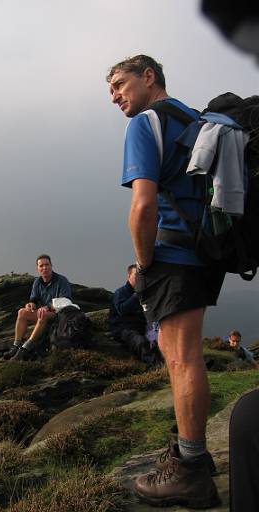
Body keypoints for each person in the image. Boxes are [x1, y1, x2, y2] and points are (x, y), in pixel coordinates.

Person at [107, 54, 224, 508]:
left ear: (148, 76)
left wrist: (143, 262)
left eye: (120, 84)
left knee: (180, 359)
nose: (115, 96)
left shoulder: (144, 123)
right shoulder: (196, 120)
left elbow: (143, 206)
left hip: (172, 254)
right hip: (207, 252)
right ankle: (194, 452)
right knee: (185, 354)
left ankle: (191, 471)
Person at [4, 254, 72, 361]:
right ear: (38, 269)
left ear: (51, 266)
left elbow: (66, 300)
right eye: (41, 266)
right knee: (22, 312)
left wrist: (48, 307)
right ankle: (15, 346)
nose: (44, 268)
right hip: (42, 314)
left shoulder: (61, 280)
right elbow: (34, 300)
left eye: (47, 265)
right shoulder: (37, 282)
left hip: (58, 315)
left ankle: (25, 348)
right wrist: (31, 305)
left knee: (42, 314)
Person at [109, 264, 162, 365]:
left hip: (141, 327)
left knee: (158, 340)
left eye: (140, 276)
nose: (139, 278)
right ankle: (155, 365)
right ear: (128, 276)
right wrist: (136, 296)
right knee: (140, 342)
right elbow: (121, 310)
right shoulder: (120, 292)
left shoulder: (144, 294)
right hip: (123, 329)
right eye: (136, 275)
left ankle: (165, 364)